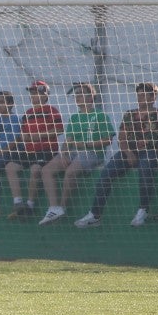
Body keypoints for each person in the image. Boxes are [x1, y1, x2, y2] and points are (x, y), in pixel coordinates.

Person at [76, 81, 158, 228]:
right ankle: (95, 215)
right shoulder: (129, 114)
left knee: (145, 169)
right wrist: (128, 153)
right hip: (128, 152)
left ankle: (143, 210)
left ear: (154, 97)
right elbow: (121, 138)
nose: (140, 97)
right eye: (139, 94)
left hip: (150, 151)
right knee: (106, 173)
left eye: (145, 94)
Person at [38, 82, 114, 224]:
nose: (77, 97)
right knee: (46, 170)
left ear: (91, 97)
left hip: (92, 152)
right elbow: (68, 140)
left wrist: (86, 144)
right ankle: (53, 208)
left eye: (81, 94)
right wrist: (65, 153)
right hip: (74, 152)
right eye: (76, 94)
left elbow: (108, 139)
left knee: (70, 172)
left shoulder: (100, 115)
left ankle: (62, 207)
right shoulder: (74, 117)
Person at [0, 81, 64, 218]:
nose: (32, 96)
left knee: (35, 170)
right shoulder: (27, 113)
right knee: (10, 167)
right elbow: (22, 134)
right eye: (31, 93)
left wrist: (38, 136)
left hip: (46, 151)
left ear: (45, 95)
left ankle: (30, 204)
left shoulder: (52, 110)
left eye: (35, 93)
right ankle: (18, 202)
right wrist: (25, 137)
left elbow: (59, 130)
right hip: (29, 152)